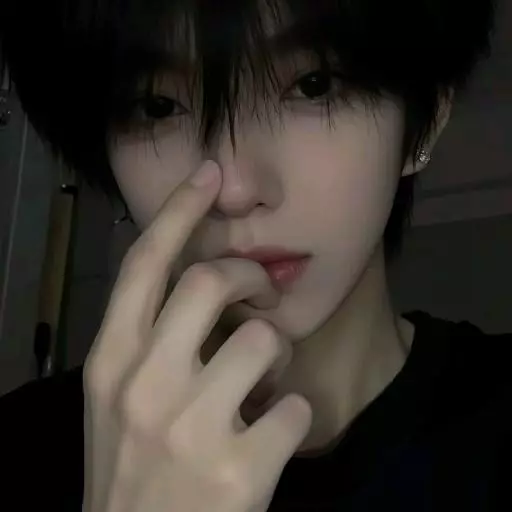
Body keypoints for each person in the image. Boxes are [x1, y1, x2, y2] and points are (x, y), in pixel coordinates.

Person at [0, 0, 509, 510]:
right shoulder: (20, 451)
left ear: (425, 120)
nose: (236, 191)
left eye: (314, 85)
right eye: (158, 106)